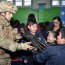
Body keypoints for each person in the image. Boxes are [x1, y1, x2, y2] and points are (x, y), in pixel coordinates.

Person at [0, 1, 32, 65]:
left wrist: (17, 36)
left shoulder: (6, 23)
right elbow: (2, 41)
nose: (12, 16)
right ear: (3, 13)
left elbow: (9, 36)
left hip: (6, 56)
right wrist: (22, 46)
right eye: (10, 13)